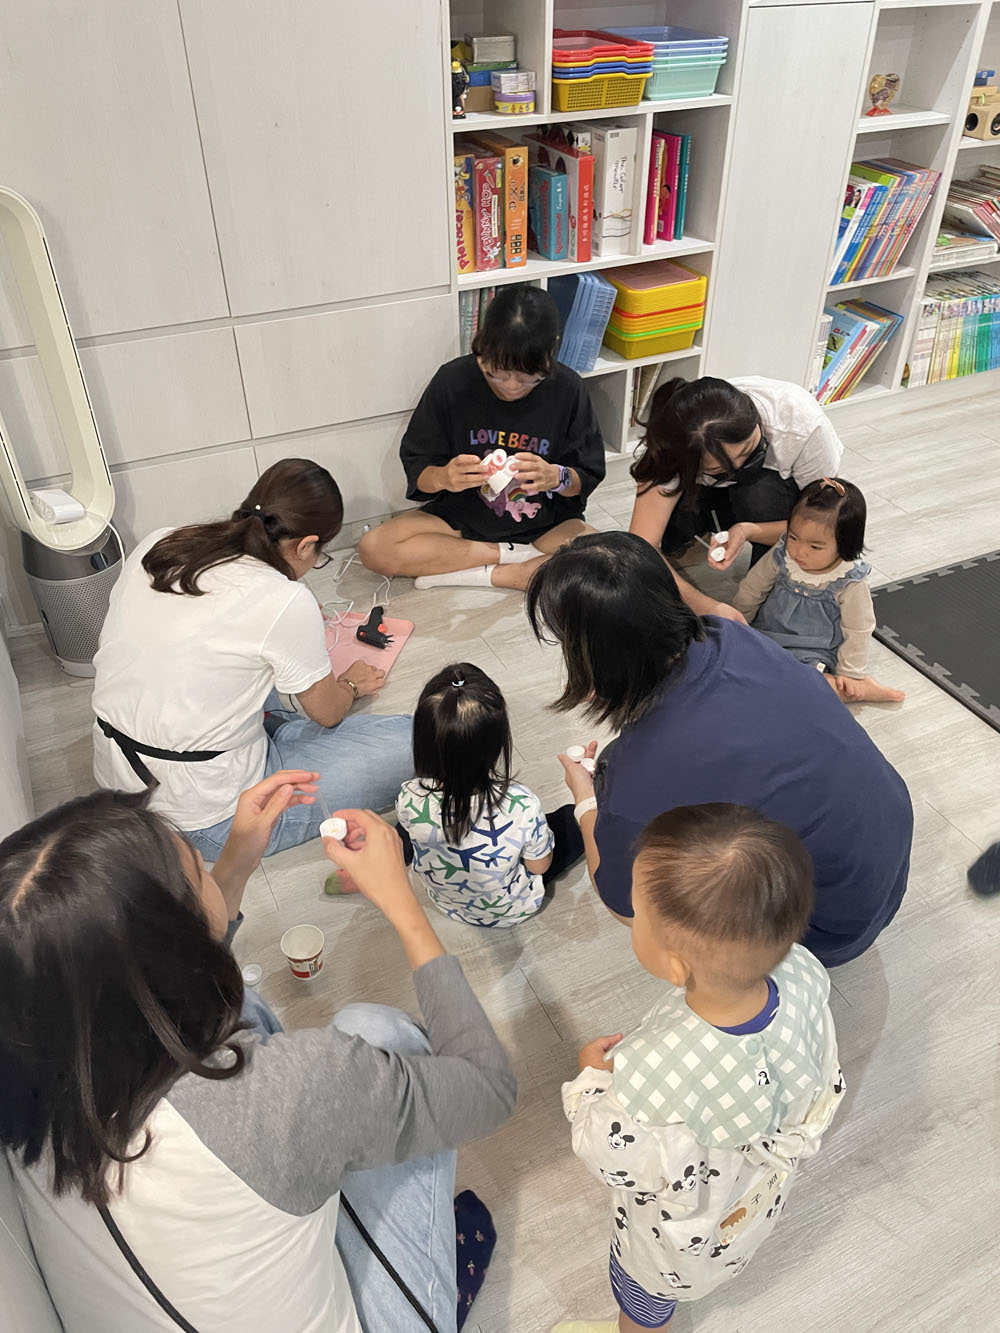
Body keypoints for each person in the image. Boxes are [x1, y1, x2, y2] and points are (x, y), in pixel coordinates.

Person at [0, 770, 516, 1333]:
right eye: (198, 868)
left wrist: (234, 865)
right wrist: (401, 903)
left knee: (240, 1004)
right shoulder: (288, 1089)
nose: (206, 863)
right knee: (384, 1033)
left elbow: (160, 985)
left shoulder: (33, 1044)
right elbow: (487, 1088)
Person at [527, 531, 914, 967]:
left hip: (820, 933)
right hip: (883, 871)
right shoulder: (730, 635)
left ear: (591, 656)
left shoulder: (643, 775)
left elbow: (625, 904)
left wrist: (586, 802)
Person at [552, 804, 845, 1333]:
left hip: (671, 1247)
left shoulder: (653, 1081)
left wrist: (591, 1080)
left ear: (674, 964)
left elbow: (606, 1154)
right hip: (749, 1202)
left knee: (643, 1303)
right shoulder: (803, 972)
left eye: (637, 913)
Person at [91, 458, 413, 862]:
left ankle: (282, 732)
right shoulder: (284, 600)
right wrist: (348, 684)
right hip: (208, 818)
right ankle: (285, 736)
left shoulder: (163, 541)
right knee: (423, 741)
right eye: (319, 555)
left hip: (120, 780)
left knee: (255, 672)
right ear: (306, 545)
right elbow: (328, 713)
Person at [358, 284, 606, 592]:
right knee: (374, 548)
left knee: (604, 560)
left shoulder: (568, 389)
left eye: (528, 378)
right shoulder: (452, 381)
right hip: (461, 521)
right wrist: (444, 477)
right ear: (481, 347)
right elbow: (418, 468)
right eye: (497, 373)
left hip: (547, 524)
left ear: (549, 355)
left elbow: (586, 476)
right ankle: (520, 563)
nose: (511, 386)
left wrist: (556, 477)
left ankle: (482, 573)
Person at [628, 376, 845, 620]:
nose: (740, 467)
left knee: (760, 494)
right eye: (716, 469)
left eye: (747, 450)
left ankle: (771, 574)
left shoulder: (802, 426)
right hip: (707, 493)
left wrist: (749, 531)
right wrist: (708, 606)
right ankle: (696, 534)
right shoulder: (672, 443)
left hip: (774, 498)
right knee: (663, 543)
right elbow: (641, 547)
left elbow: (824, 526)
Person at [396, 662, 582, 926]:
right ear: (497, 743)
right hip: (512, 909)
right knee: (572, 818)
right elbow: (539, 866)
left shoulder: (408, 796)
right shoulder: (522, 804)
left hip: (446, 904)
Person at [733, 477, 904, 704]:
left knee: (800, 685)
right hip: (766, 634)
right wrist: (736, 624)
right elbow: (752, 589)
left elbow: (859, 628)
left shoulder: (849, 581)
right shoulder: (782, 554)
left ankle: (860, 689)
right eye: (793, 537)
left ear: (845, 545)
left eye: (815, 546)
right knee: (733, 663)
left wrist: (851, 672)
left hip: (812, 651)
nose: (799, 551)